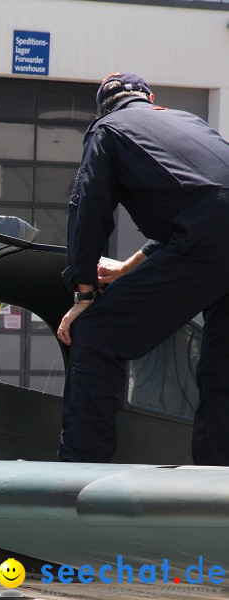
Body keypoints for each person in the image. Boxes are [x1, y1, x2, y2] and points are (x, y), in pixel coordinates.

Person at [57, 72, 229, 465]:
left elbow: (87, 207)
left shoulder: (108, 128)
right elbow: (210, 199)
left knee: (97, 333)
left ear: (104, 107)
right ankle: (218, 493)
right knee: (222, 374)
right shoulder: (189, 122)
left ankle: (79, 477)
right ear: (151, 98)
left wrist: (84, 293)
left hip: (207, 237)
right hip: (211, 232)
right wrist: (128, 267)